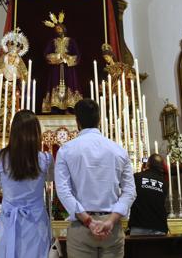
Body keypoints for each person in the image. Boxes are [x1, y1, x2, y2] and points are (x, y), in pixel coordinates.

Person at [55, 99, 136, 258]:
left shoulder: (66, 150)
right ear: (99, 120)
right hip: (112, 227)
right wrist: (111, 221)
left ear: (77, 121)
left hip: (81, 226)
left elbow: (63, 191)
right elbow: (130, 191)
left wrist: (89, 221)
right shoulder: (118, 150)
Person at [0, 110, 53, 258]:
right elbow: (50, 182)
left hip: (8, 220)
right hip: (36, 223)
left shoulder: (0, 156)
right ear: (36, 133)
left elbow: (0, 183)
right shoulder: (45, 159)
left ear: (14, 132)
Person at [42, 11, 82, 113]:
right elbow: (46, 55)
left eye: (60, 28)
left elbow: (77, 55)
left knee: (70, 85)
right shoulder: (52, 42)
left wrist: (67, 58)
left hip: (68, 68)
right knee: (55, 85)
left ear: (63, 29)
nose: (58, 30)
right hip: (56, 68)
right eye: (56, 29)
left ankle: (69, 107)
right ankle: (56, 108)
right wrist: (57, 57)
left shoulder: (71, 41)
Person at [128, 154, 168, 236]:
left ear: (147, 164)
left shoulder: (136, 177)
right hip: (159, 226)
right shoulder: (164, 183)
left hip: (139, 226)